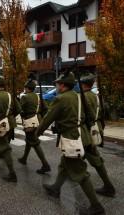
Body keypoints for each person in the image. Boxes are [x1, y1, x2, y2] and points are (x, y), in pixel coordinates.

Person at [35, 71, 105, 215]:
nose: (57, 86)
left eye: (58, 84)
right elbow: (90, 116)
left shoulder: (61, 99)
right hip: (84, 136)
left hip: (72, 139)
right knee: (64, 165)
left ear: (62, 85)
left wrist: (38, 132)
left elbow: (48, 118)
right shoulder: (80, 97)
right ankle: (56, 188)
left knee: (80, 173)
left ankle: (96, 206)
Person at [80, 72, 116, 197]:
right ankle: (69, 174)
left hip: (88, 130)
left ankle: (108, 185)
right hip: (96, 127)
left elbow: (82, 116)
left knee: (94, 158)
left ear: (83, 84)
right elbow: (101, 113)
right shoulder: (96, 96)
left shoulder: (83, 97)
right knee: (76, 155)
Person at [18, 78, 51, 174]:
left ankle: (45, 164)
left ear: (27, 88)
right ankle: (24, 158)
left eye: (25, 87)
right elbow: (45, 108)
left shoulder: (25, 97)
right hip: (38, 120)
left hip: (30, 122)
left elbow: (20, 109)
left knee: (35, 143)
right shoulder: (38, 97)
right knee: (29, 140)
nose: (24, 89)